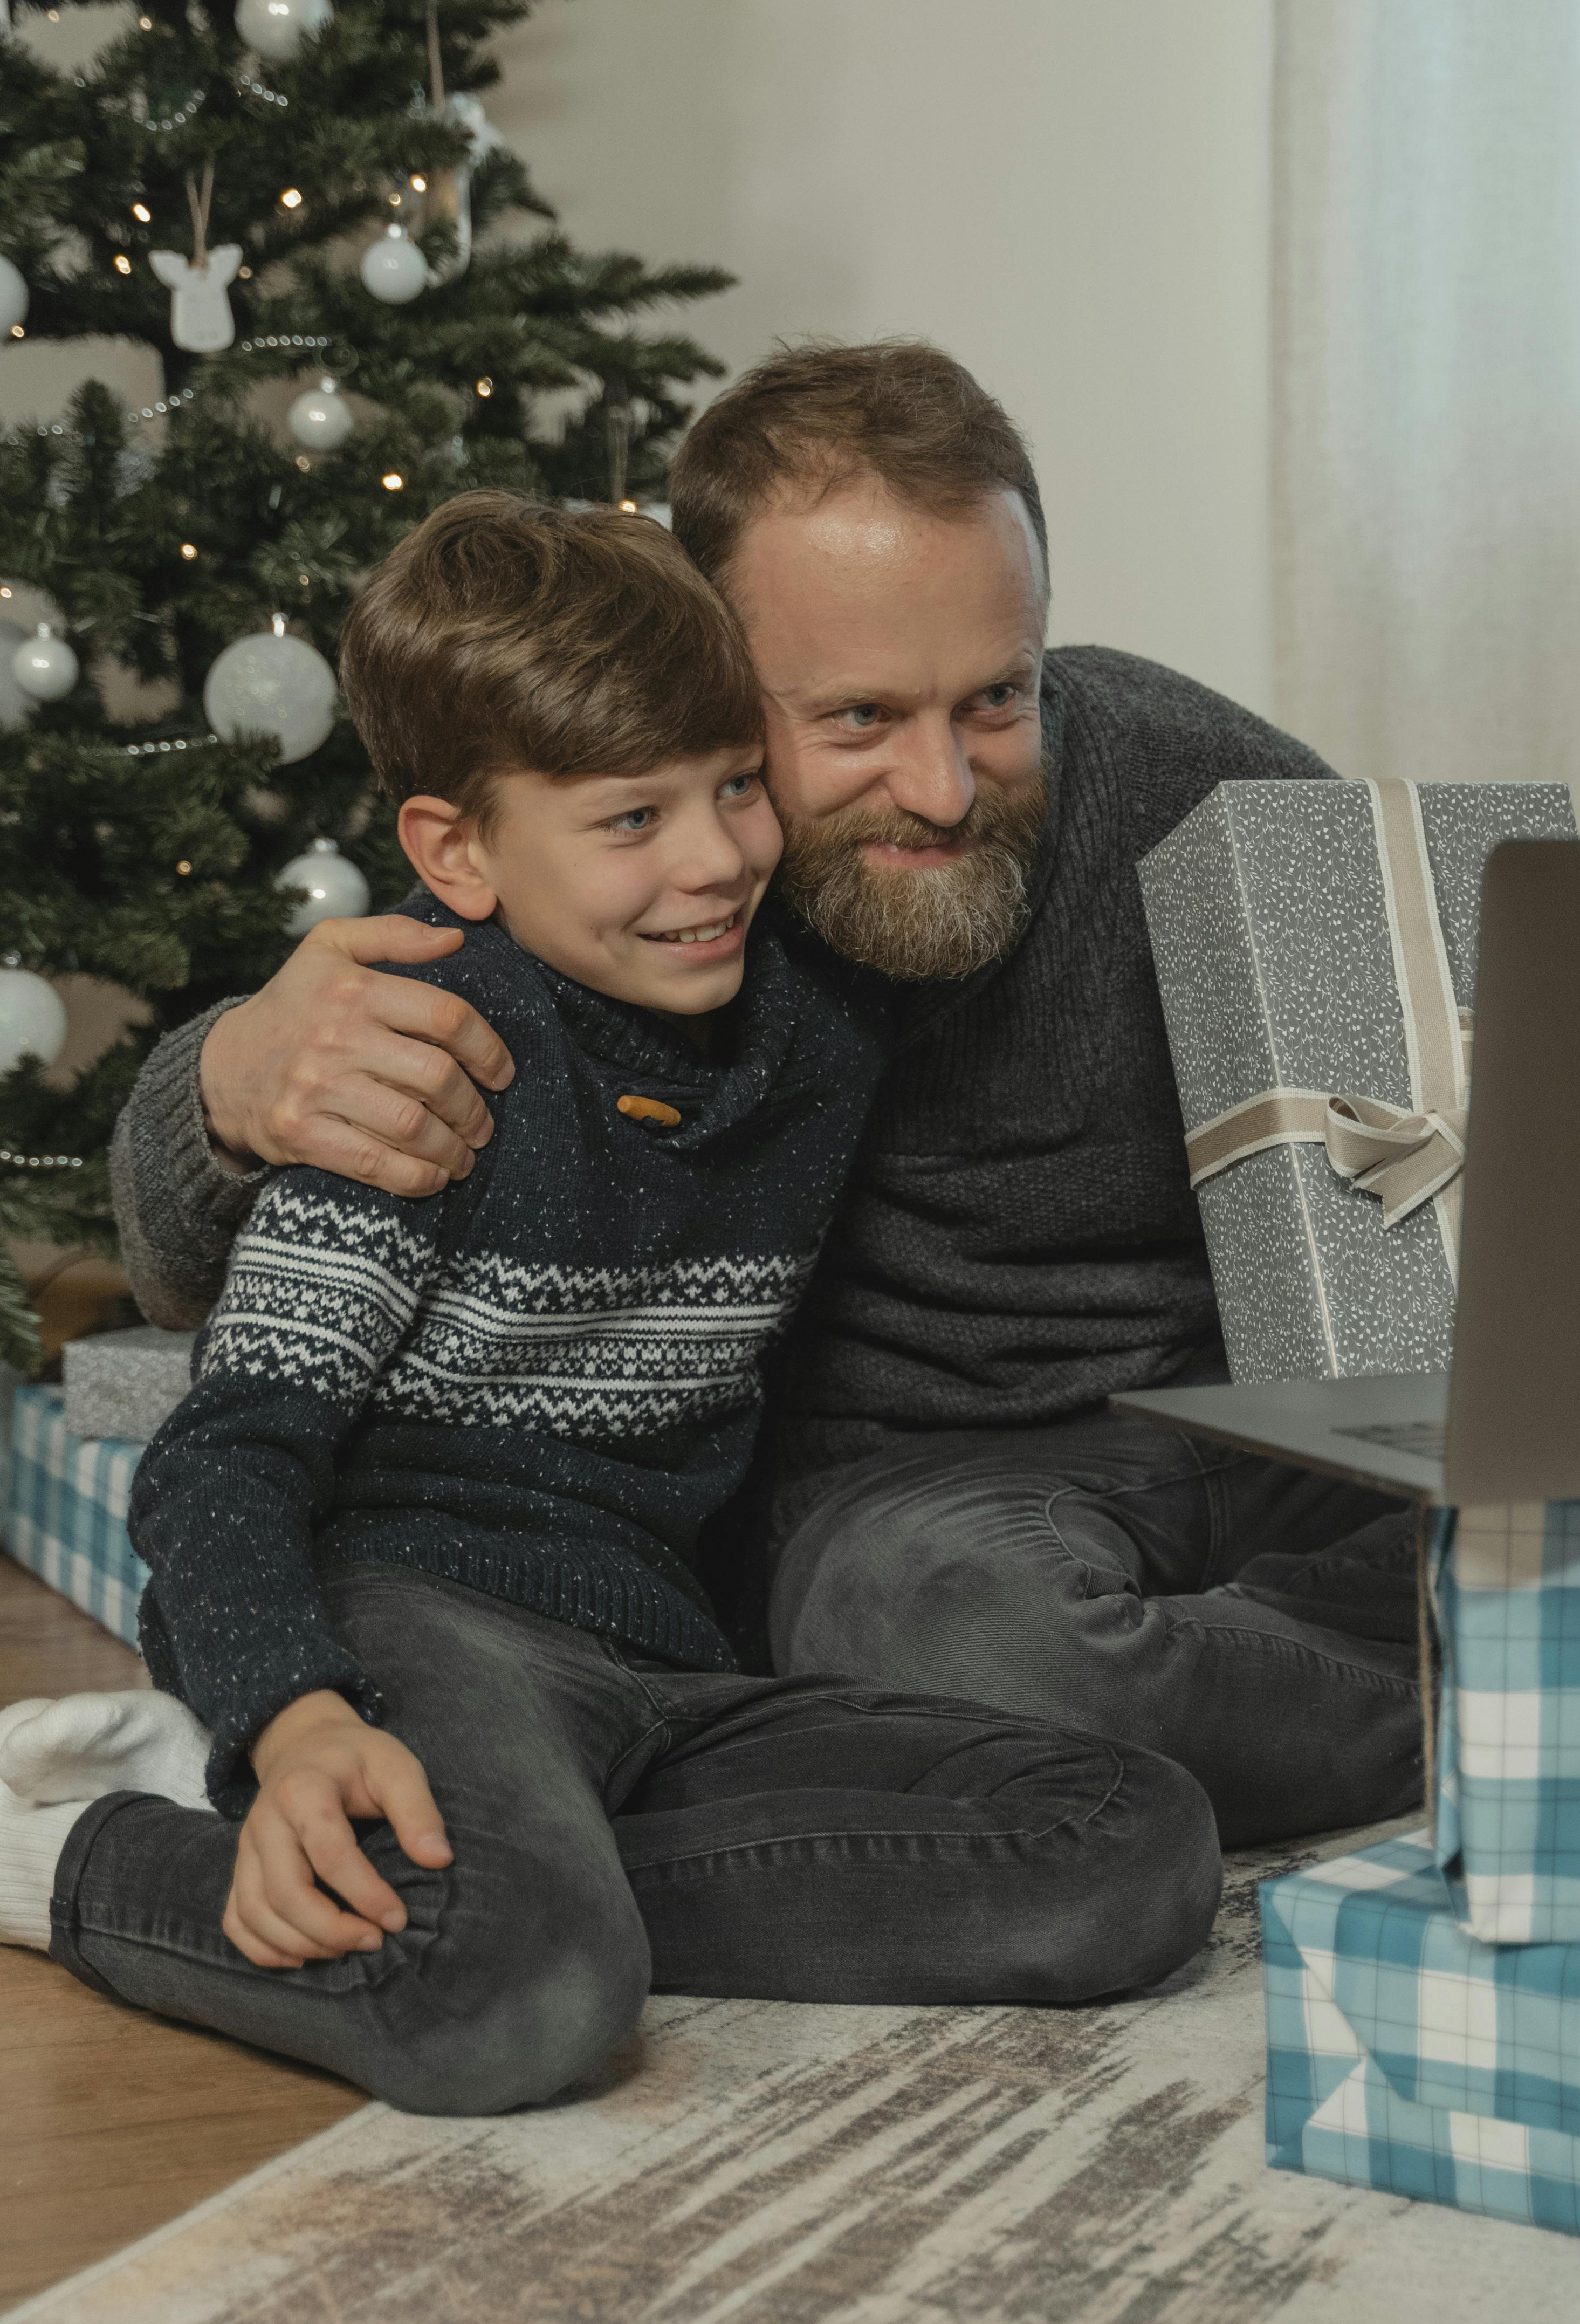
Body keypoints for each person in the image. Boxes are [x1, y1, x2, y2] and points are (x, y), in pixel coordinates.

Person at [109, 342, 1423, 1847]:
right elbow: (177, 1270)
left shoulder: (1189, 777)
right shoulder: (656, 893)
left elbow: (1429, 1165)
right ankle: (1469, 1697)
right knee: (951, 1635)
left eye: (997, 696)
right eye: (858, 720)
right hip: (920, 1509)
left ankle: (1405, 1655)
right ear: (706, 679)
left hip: (1244, 1428)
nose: (940, 787)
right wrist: (224, 1079)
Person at [0, 497, 1220, 2113]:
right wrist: (293, 1717)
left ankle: (520, 1879)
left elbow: (966, 847)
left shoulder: (813, 1009)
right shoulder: (420, 1064)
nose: (712, 860)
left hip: (668, 1658)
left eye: (733, 790)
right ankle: (93, 1850)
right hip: (422, 1621)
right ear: (452, 853)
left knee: (1126, 1849)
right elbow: (224, 1458)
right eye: (630, 821)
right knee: (513, 2004)